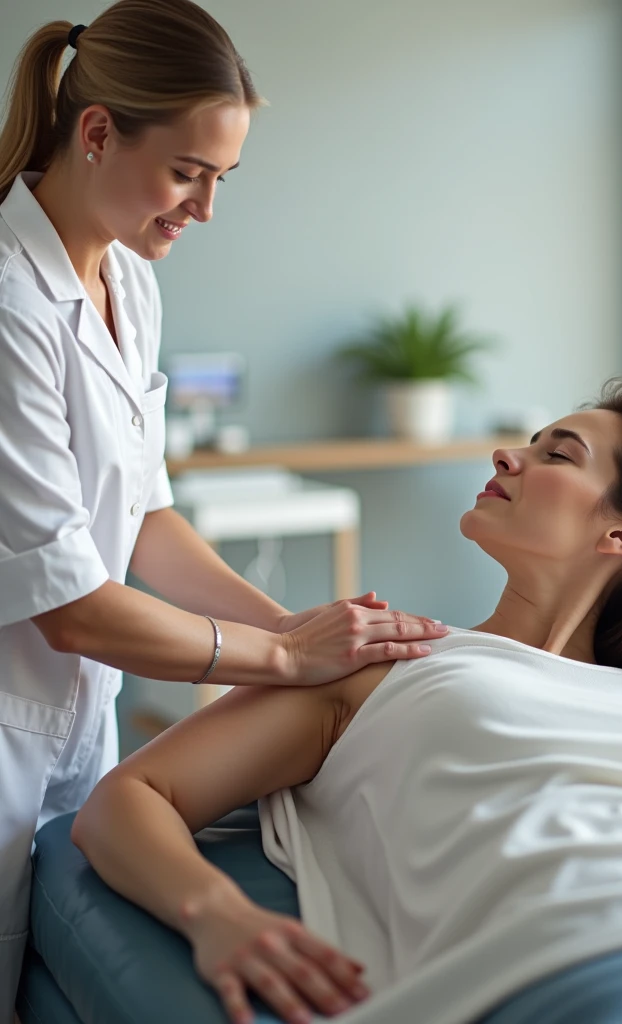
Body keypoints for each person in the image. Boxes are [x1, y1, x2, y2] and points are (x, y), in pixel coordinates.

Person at [0, 1, 445, 1016]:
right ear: (99, 130)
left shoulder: (128, 276)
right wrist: (285, 660)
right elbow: (70, 602)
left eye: (222, 180)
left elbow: (147, 520)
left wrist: (288, 623)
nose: (204, 209)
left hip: (70, 730)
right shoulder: (8, 305)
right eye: (187, 172)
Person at [75, 380, 622, 1024]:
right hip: (568, 967)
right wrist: (219, 915)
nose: (507, 455)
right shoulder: (380, 658)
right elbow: (127, 799)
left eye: (558, 456)